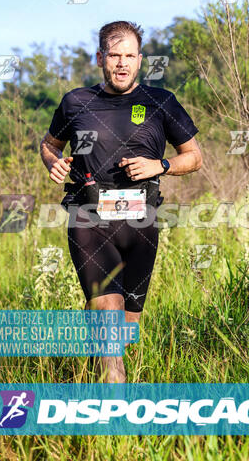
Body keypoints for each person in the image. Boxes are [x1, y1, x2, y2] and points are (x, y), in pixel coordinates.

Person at [40, 20, 202, 382]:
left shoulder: (160, 103)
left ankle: (94, 341)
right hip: (88, 216)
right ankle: (116, 405)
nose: (122, 63)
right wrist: (54, 163)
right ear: (101, 57)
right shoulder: (76, 102)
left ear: (141, 60)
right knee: (109, 315)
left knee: (127, 325)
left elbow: (194, 156)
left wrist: (160, 164)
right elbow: (50, 145)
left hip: (141, 221)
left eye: (130, 55)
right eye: (115, 55)